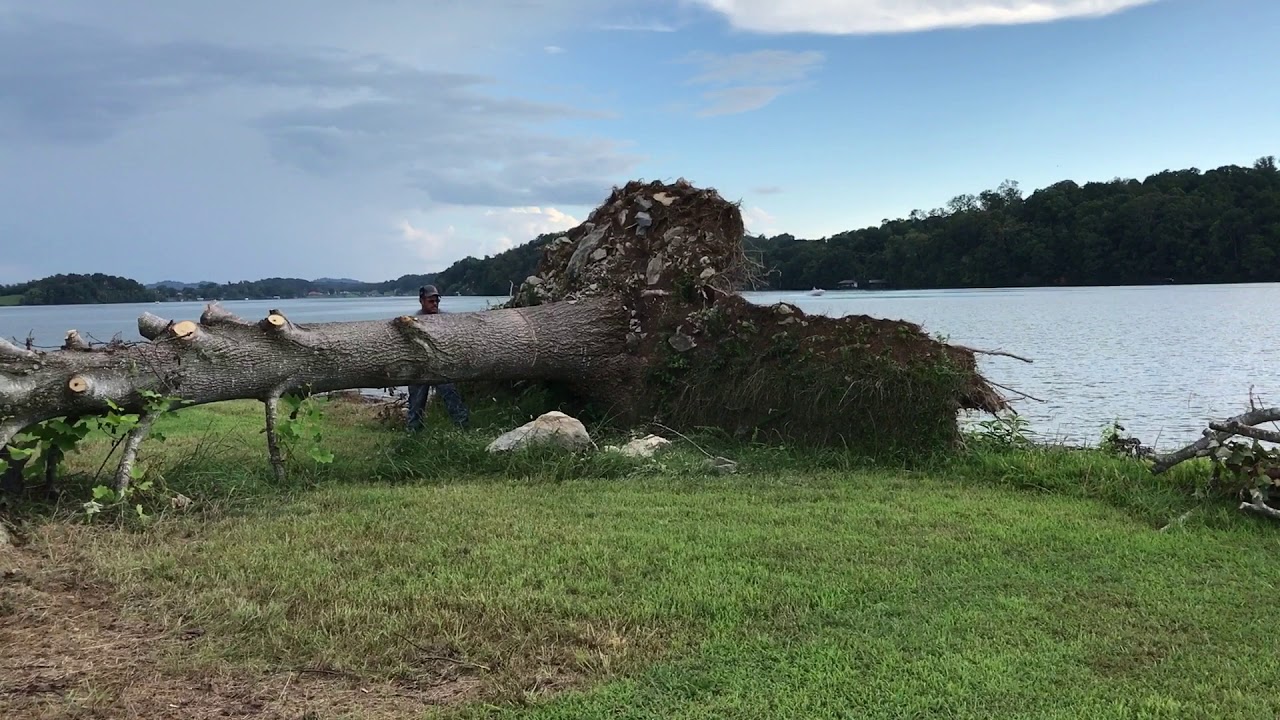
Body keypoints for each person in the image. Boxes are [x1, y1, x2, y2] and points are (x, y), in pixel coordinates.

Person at [406, 284, 470, 430]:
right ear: (421, 301)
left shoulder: (446, 318)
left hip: (441, 365)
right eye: (431, 301)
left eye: (437, 301)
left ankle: (463, 427)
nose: (435, 304)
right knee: (416, 403)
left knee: (451, 396)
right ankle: (413, 436)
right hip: (420, 367)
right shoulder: (413, 321)